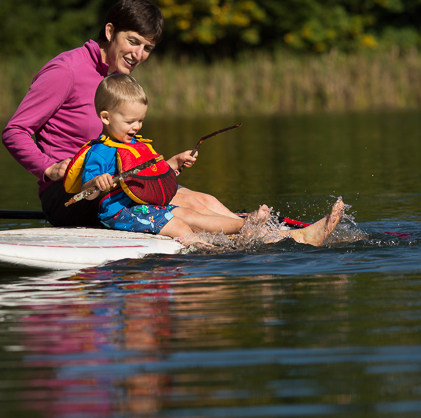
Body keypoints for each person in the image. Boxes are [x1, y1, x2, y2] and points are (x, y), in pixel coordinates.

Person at [1, 0, 252, 229]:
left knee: (202, 200)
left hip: (122, 180)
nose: (139, 54)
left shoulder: (118, 78)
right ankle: (248, 233)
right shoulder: (65, 71)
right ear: (110, 32)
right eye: (133, 41)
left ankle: (257, 230)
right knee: (191, 208)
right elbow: (15, 131)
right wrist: (49, 168)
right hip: (72, 194)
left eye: (148, 47)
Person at [73, 74, 344, 247]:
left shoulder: (135, 145)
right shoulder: (99, 152)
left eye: (141, 120)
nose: (136, 127)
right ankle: (231, 237)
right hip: (121, 213)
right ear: (106, 118)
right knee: (182, 221)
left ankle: (246, 226)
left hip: (146, 207)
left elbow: (149, 176)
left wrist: (175, 164)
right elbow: (86, 194)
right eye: (130, 121)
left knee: (193, 211)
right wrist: (97, 182)